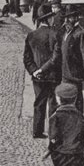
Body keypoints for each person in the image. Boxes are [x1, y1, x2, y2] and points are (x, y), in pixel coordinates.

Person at [24, 9, 60, 138]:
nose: (53, 20)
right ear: (48, 19)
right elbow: (56, 58)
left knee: (39, 102)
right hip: (52, 75)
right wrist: (43, 69)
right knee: (53, 103)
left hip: (38, 77)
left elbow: (27, 58)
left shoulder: (31, 35)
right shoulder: (55, 35)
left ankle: (37, 131)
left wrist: (34, 71)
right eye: (51, 17)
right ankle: (53, 132)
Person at [56, 7, 84, 111]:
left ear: (75, 18)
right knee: (66, 97)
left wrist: (82, 70)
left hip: (75, 74)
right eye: (66, 18)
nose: (66, 21)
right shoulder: (67, 32)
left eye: (69, 18)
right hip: (65, 72)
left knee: (77, 99)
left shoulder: (80, 33)